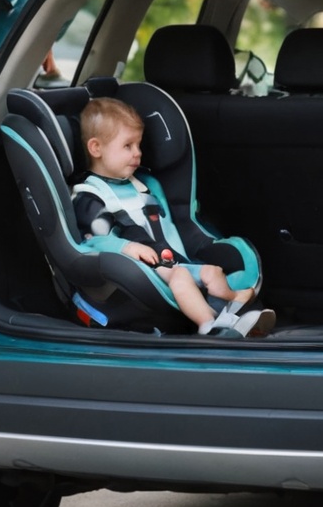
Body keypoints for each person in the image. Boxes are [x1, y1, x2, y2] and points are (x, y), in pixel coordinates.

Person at [72, 97, 274, 339]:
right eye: (128, 146)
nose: (138, 153)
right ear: (96, 148)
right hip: (141, 270)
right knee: (180, 276)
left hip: (170, 261)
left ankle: (234, 303)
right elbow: (94, 240)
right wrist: (127, 246)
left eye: (139, 145)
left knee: (211, 271)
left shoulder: (144, 186)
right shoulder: (90, 195)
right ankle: (210, 325)